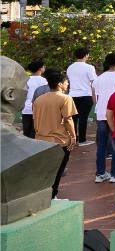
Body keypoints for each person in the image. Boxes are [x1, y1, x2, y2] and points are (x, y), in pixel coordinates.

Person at [32, 69, 77, 199]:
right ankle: (52, 196)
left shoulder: (39, 100)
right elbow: (68, 119)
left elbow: (35, 119)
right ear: (59, 84)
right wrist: (73, 137)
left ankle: (45, 195)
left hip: (41, 139)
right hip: (59, 140)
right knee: (58, 170)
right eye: (66, 82)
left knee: (45, 170)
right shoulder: (65, 98)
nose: (67, 84)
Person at [92, 52, 115, 184]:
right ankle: (114, 174)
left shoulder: (99, 78)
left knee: (101, 145)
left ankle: (100, 173)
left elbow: (97, 96)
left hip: (101, 114)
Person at [66, 48, 97, 146]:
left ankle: (74, 138)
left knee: (74, 118)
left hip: (72, 95)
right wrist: (95, 98)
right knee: (83, 118)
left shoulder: (70, 67)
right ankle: (82, 140)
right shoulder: (89, 67)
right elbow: (93, 83)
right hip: (86, 95)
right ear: (86, 55)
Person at [22, 58, 46, 138]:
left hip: (26, 109)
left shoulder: (25, 80)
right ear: (40, 69)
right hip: (39, 109)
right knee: (36, 133)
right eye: (43, 66)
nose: (44, 68)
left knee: (26, 133)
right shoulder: (44, 81)